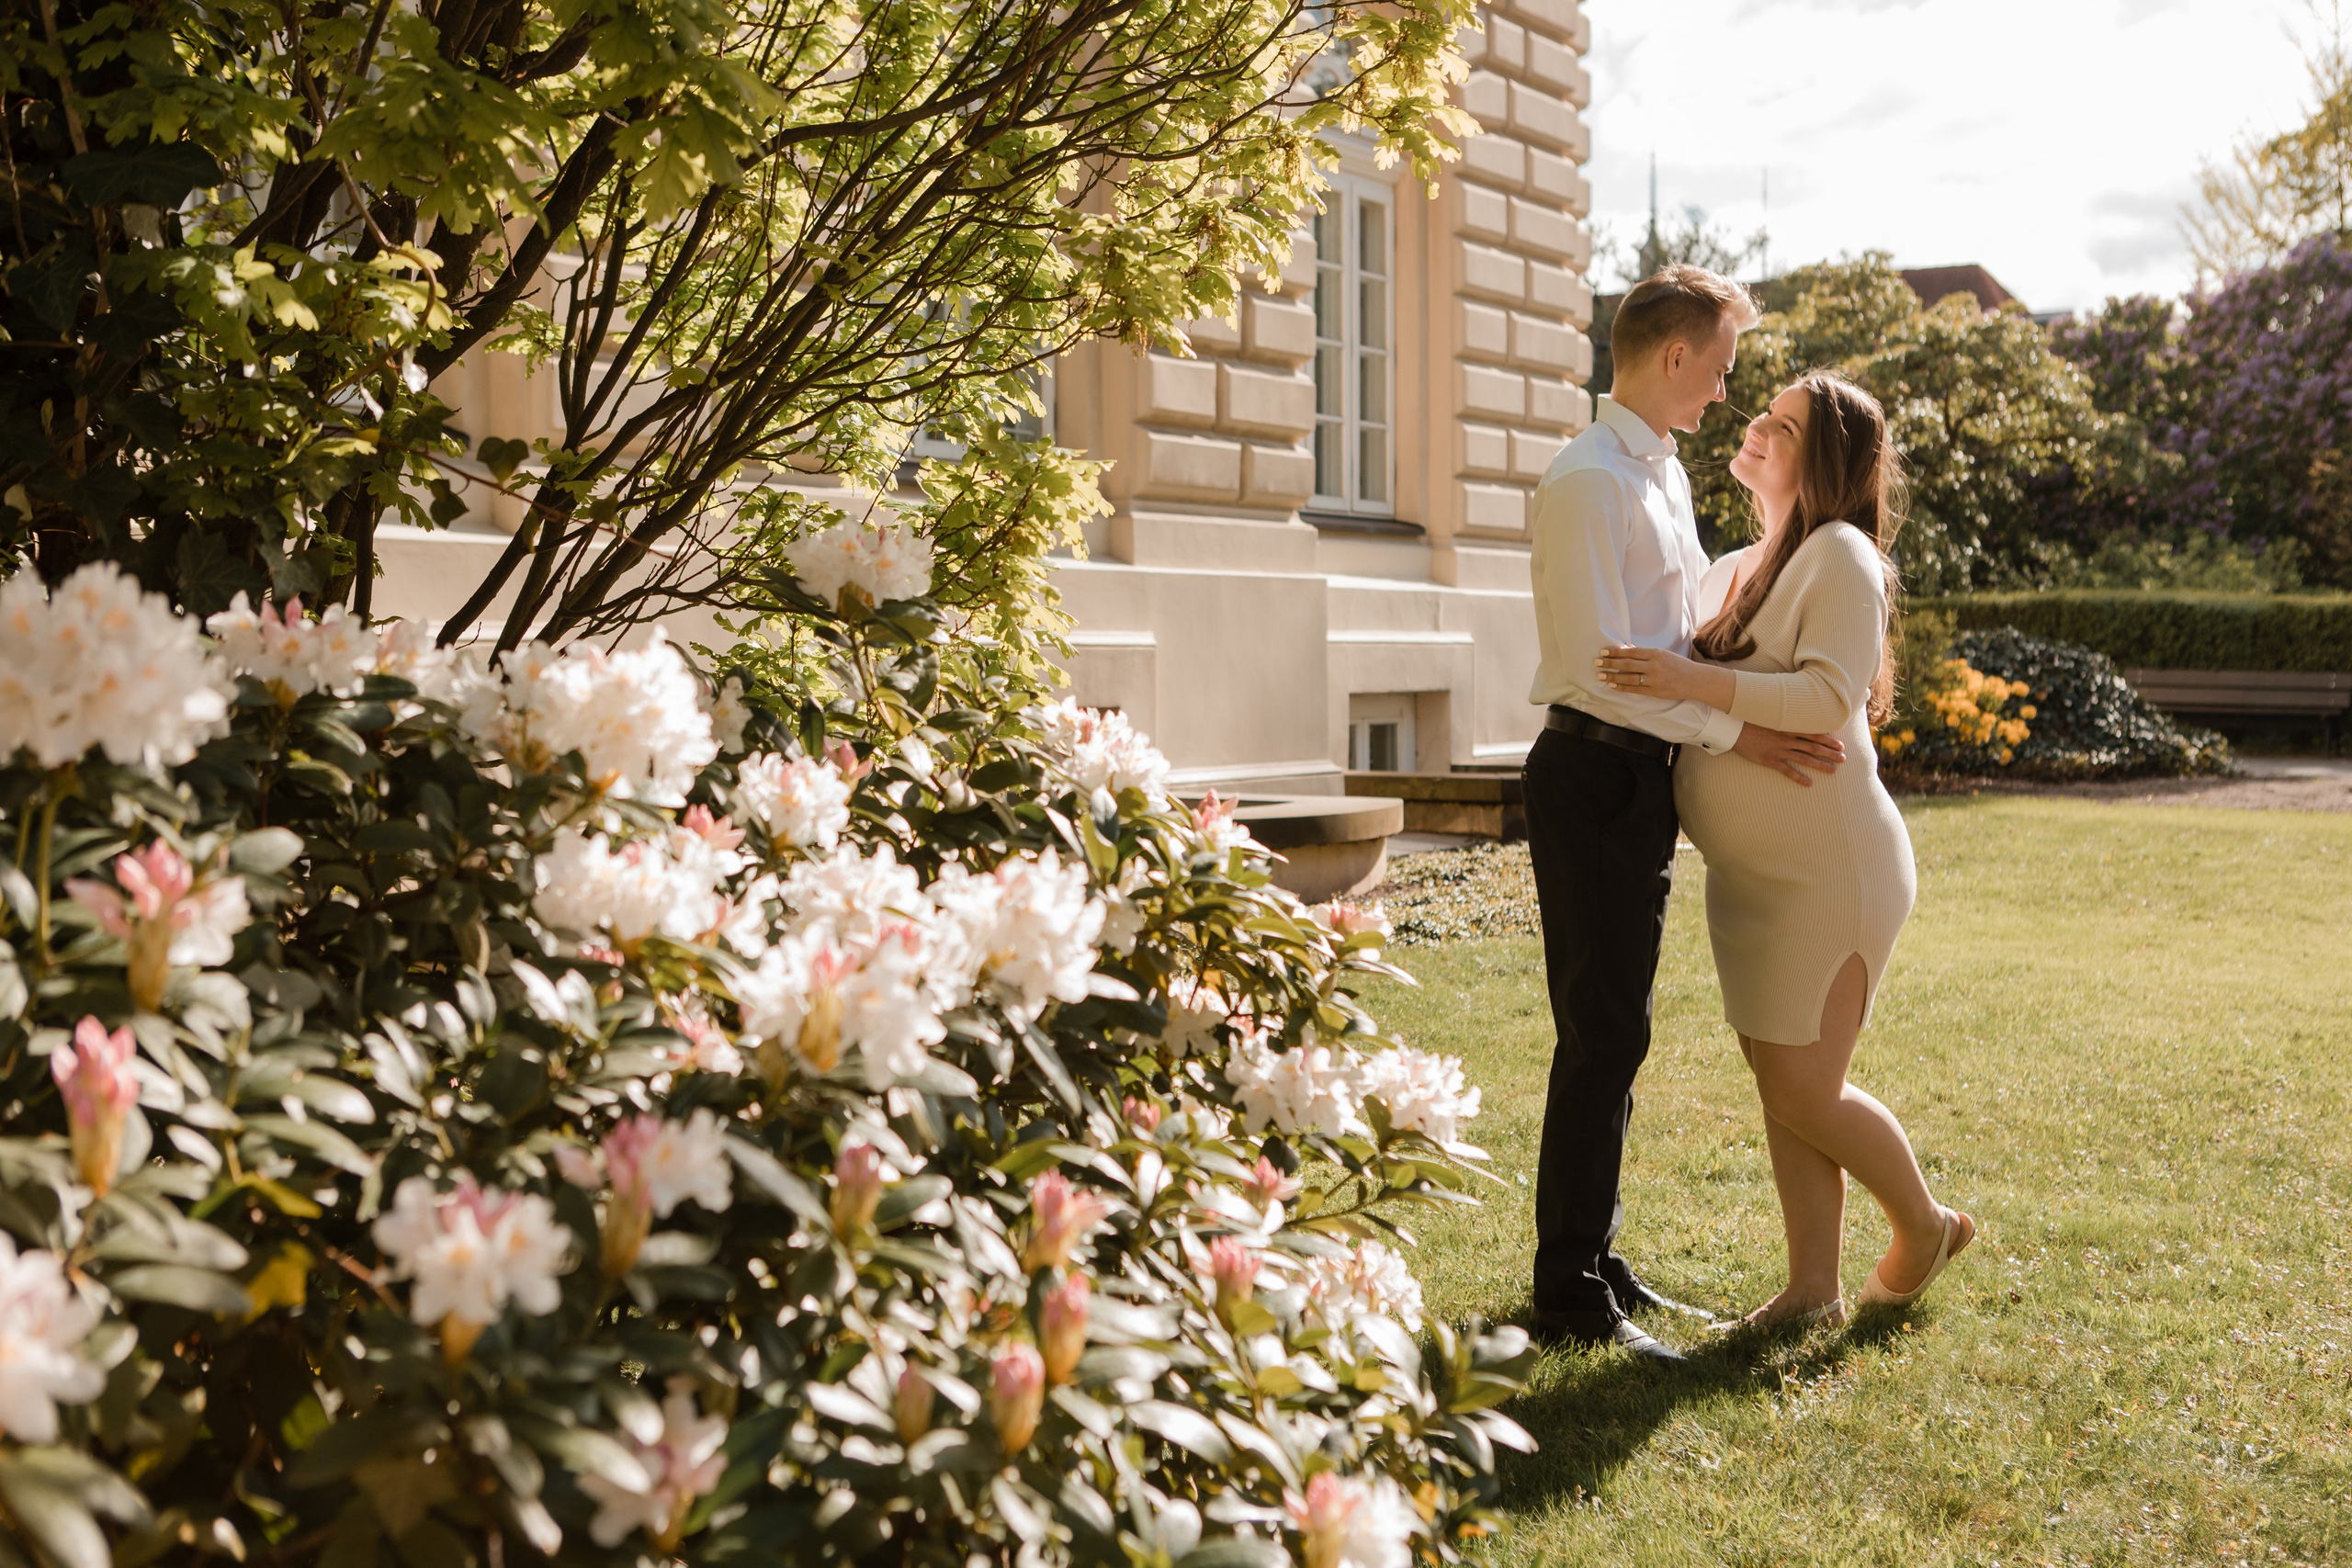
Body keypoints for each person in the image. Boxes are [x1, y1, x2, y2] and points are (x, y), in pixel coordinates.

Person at [1596, 371, 1974, 1329]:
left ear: (1829, 458)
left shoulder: (1841, 556)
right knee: (1784, 1089)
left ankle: (1923, 1224)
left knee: (1808, 1086)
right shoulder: (1734, 567)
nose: (1757, 427)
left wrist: (1696, 682)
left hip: (1829, 869)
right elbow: (1692, 699)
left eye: (1785, 424)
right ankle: (1812, 1288)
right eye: (1762, 412)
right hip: (1751, 881)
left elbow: (1822, 700)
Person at [1522, 265, 1848, 1362]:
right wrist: (1743, 734)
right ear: (1672, 358)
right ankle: (1567, 1289)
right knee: (1598, 1030)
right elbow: (1598, 669)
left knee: (1621, 1028)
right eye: (1716, 370)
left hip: (1641, 779)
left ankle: (1595, 1257)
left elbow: (1678, 631)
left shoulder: (1658, 471)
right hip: (1591, 772)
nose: (1721, 395)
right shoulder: (1586, 481)